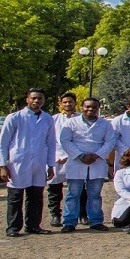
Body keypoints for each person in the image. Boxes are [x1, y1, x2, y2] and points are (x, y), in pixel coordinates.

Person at [0, 89, 56, 237]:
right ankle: (13, 227)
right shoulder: (15, 118)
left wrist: (51, 165)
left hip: (39, 162)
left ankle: (33, 225)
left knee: (36, 196)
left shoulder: (48, 119)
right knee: (15, 196)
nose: (37, 101)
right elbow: (3, 143)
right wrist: (3, 165)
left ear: (44, 100)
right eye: (34, 98)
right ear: (27, 100)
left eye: (40, 98)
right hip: (18, 162)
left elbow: (51, 143)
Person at [58, 97, 116, 232]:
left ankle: (96, 220)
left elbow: (110, 142)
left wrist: (96, 155)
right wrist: (81, 155)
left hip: (97, 161)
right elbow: (65, 141)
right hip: (77, 161)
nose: (90, 109)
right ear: (82, 107)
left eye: (94, 107)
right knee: (73, 194)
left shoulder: (105, 124)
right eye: (87, 107)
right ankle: (69, 222)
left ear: (98, 109)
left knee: (95, 194)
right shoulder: (71, 123)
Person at [48, 92, 77, 227]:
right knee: (54, 188)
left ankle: (80, 214)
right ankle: (55, 214)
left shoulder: (81, 119)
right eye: (64, 102)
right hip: (57, 157)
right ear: (60, 104)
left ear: (75, 103)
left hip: (76, 158)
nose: (67, 104)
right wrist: (58, 156)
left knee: (78, 189)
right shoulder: (53, 120)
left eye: (70, 102)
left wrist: (70, 155)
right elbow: (49, 140)